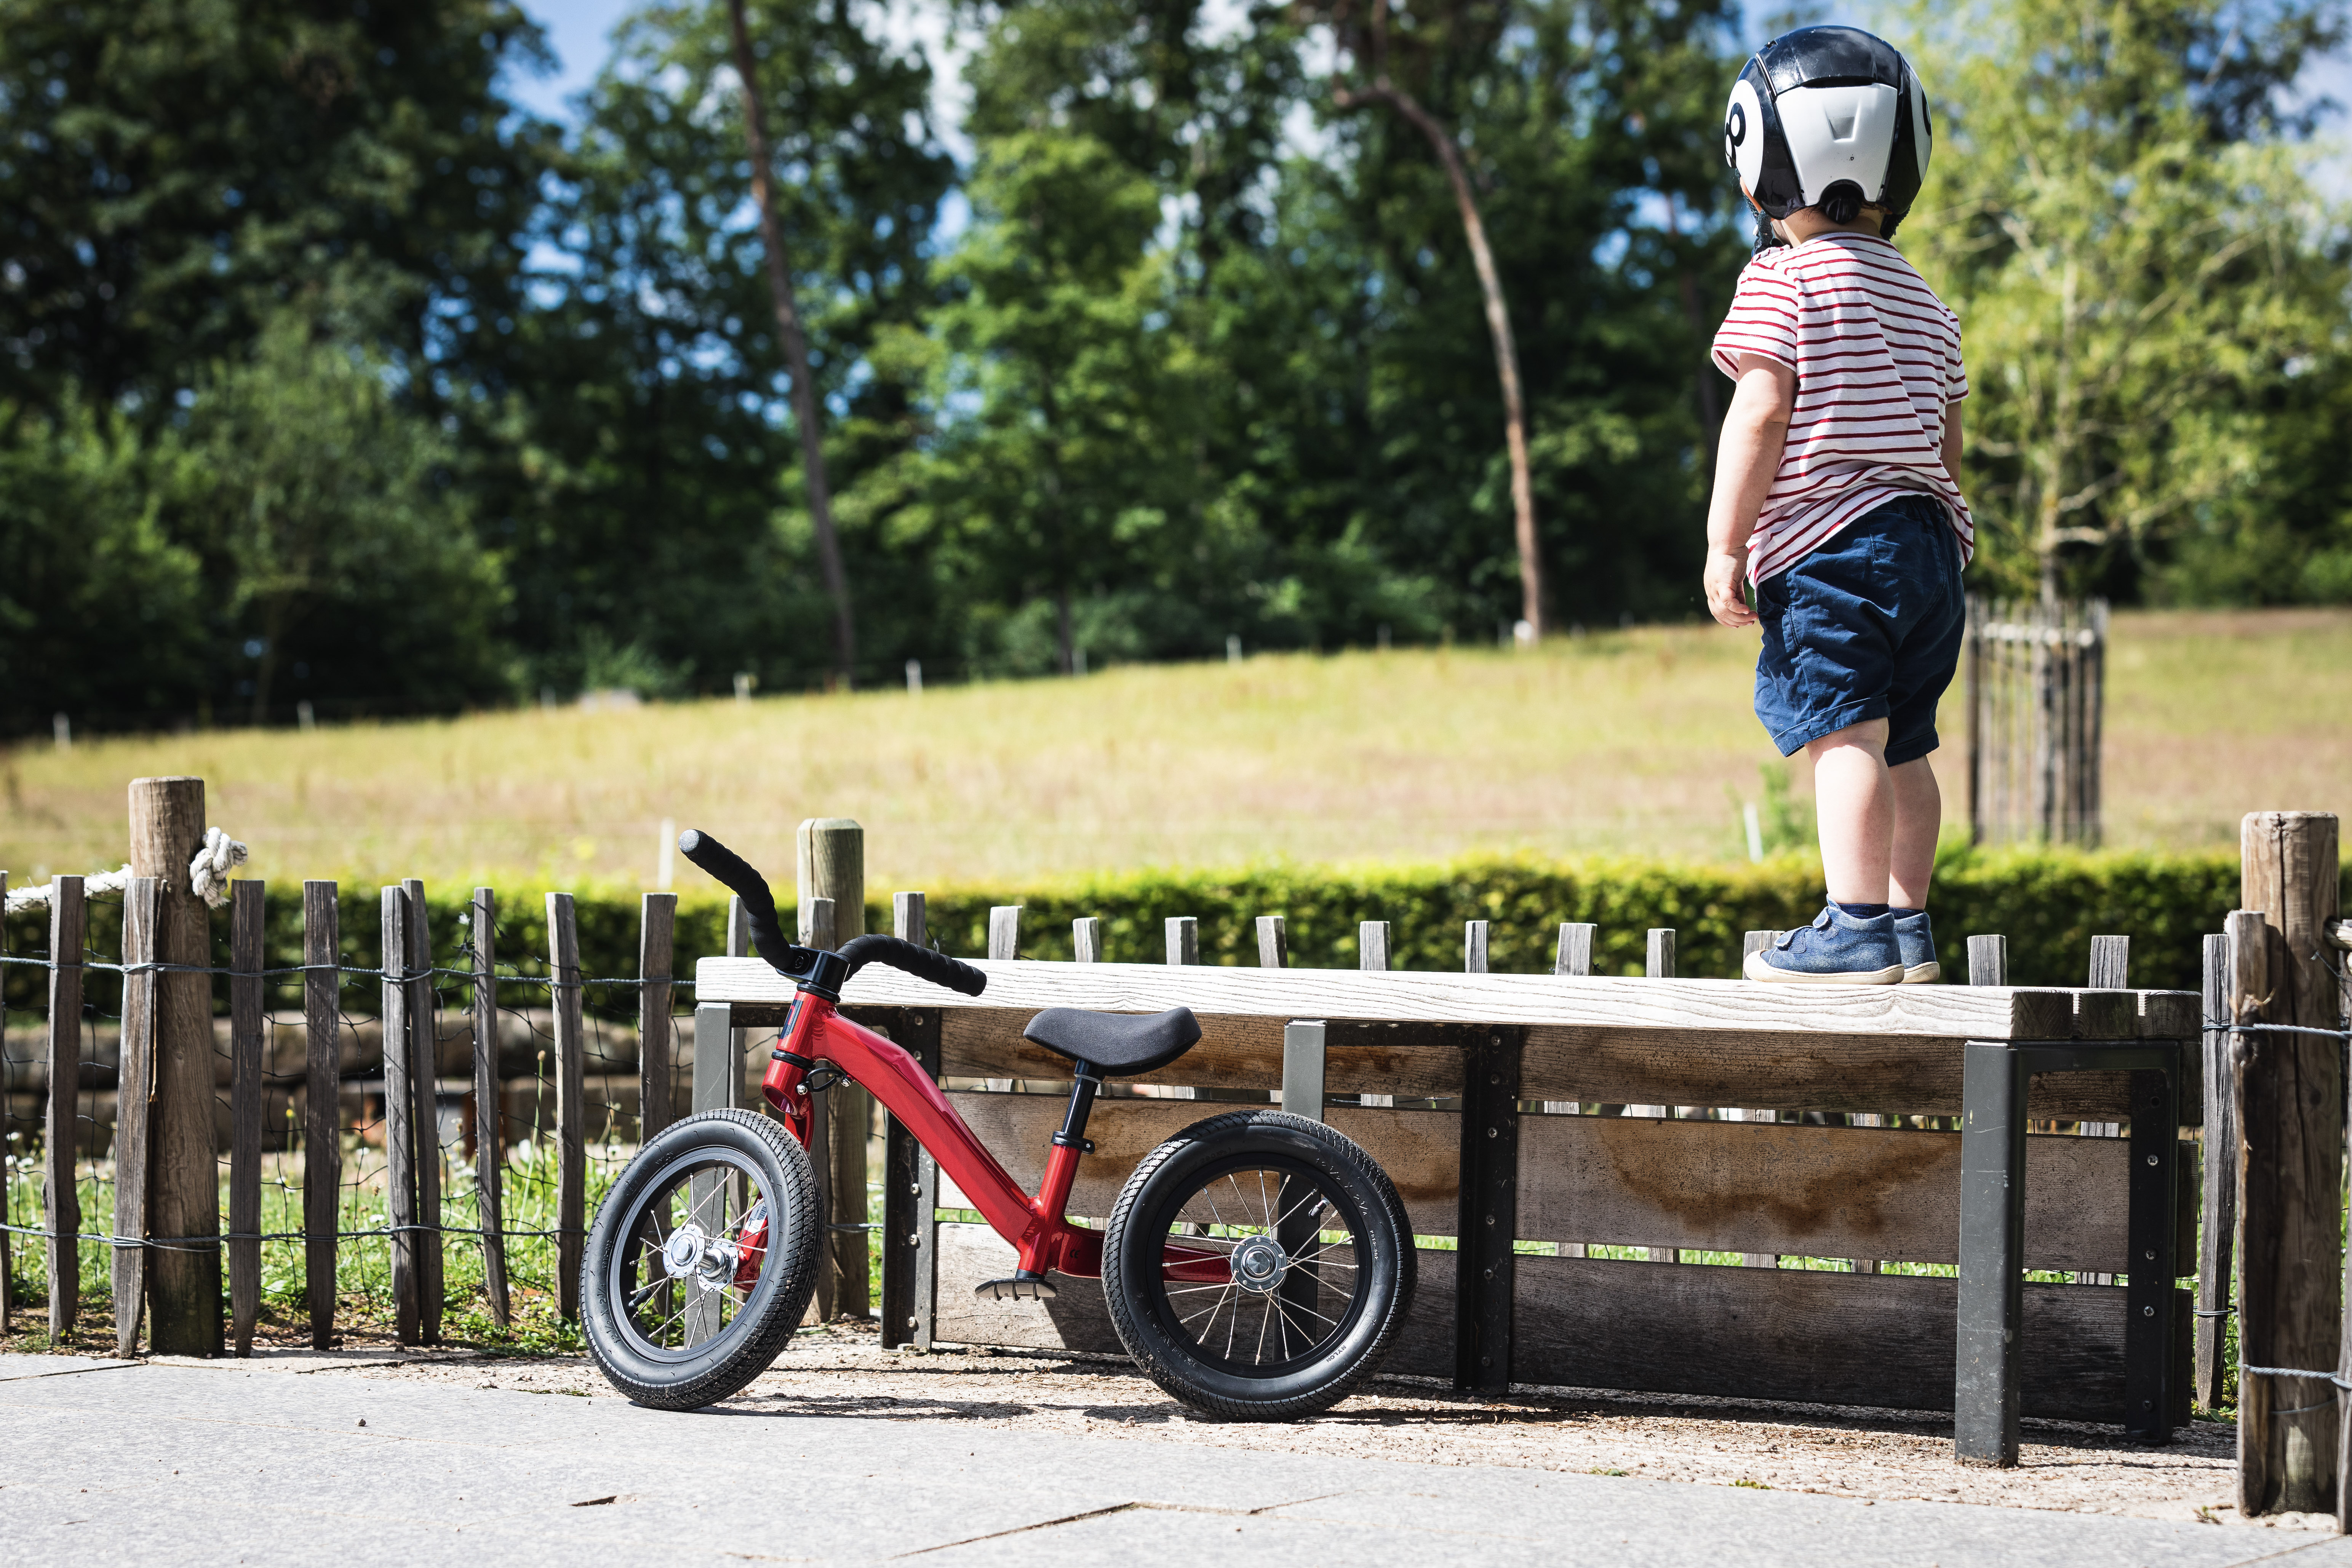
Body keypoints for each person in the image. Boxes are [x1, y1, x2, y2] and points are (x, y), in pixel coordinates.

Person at [1704, 26, 1971, 984]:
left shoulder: (1780, 278)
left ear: (1761, 161)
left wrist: (1724, 542)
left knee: (1843, 734)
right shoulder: (1926, 298)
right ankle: (1908, 928)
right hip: (1930, 544)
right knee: (1906, 741)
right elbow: (1943, 437)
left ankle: (1854, 927)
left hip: (1830, 544)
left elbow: (1760, 411)